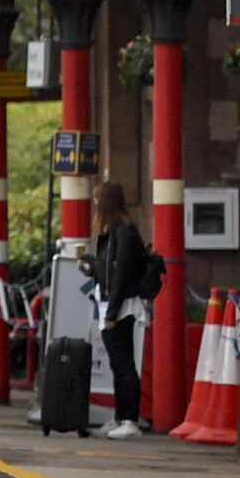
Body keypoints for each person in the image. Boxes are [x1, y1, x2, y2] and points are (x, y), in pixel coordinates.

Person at [89, 180, 151, 438]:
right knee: (118, 364)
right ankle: (120, 416)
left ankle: (130, 419)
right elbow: (108, 270)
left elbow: (122, 276)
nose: (93, 205)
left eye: (96, 199)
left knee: (124, 363)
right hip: (111, 303)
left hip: (120, 307)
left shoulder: (123, 233)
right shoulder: (114, 232)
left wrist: (112, 313)